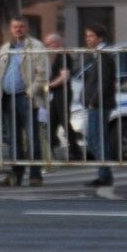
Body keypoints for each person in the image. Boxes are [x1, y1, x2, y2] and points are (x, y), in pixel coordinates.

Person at [0, 18, 49, 186]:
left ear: (27, 28)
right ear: (11, 29)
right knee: (13, 140)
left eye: (22, 26)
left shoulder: (36, 46)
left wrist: (30, 92)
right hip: (8, 97)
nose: (18, 30)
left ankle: (35, 175)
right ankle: (16, 175)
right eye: (15, 27)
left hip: (27, 98)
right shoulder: (5, 48)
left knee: (32, 138)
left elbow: (42, 73)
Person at [78, 25, 122, 187]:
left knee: (96, 139)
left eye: (90, 36)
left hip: (99, 104)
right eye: (87, 36)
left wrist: (93, 100)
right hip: (96, 103)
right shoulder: (98, 55)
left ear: (100, 38)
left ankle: (105, 174)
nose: (87, 39)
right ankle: (104, 172)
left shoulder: (104, 56)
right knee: (93, 138)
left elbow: (103, 83)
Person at [42, 32, 74, 161]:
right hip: (55, 94)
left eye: (48, 44)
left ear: (57, 44)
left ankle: (74, 151)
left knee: (64, 122)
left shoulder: (63, 56)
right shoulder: (55, 57)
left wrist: (48, 86)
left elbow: (64, 77)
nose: (46, 47)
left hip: (62, 93)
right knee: (52, 122)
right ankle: (50, 150)